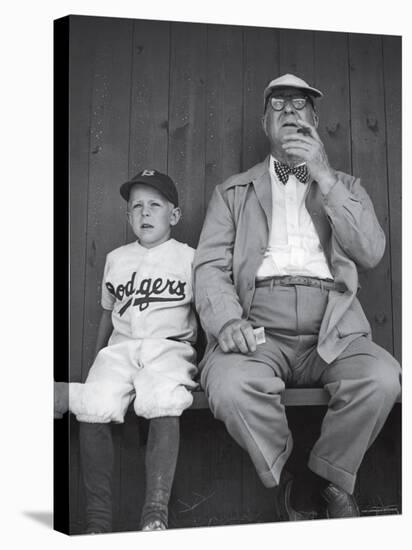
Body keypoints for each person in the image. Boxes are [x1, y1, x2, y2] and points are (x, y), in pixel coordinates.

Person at [193, 74, 401, 520]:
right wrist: (228, 321)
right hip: (258, 327)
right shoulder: (233, 192)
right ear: (264, 122)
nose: (289, 111)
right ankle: (293, 474)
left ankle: (320, 481)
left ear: (315, 120)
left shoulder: (344, 185)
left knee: (383, 378)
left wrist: (324, 177)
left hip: (334, 325)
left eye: (300, 104)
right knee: (229, 387)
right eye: (279, 105)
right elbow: (209, 266)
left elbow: (372, 251)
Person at [69, 169, 198, 533]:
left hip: (169, 348)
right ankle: (98, 521)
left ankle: (155, 513)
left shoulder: (189, 258)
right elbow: (108, 315)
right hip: (121, 350)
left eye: (154, 205)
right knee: (92, 403)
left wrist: (204, 361)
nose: (144, 213)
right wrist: (98, 359)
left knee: (162, 398)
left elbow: (204, 312)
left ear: (173, 215)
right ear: (127, 216)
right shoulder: (116, 258)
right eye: (136, 206)